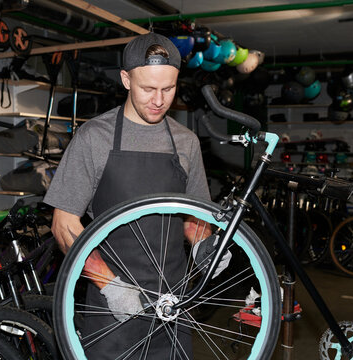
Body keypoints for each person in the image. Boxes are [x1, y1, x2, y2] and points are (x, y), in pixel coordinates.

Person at [44, 32, 230, 359]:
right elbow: (64, 223)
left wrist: (204, 246)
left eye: (168, 89)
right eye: (148, 89)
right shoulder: (94, 137)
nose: (158, 100)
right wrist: (111, 287)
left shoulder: (185, 142)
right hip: (110, 305)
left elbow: (192, 215)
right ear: (126, 79)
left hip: (173, 303)